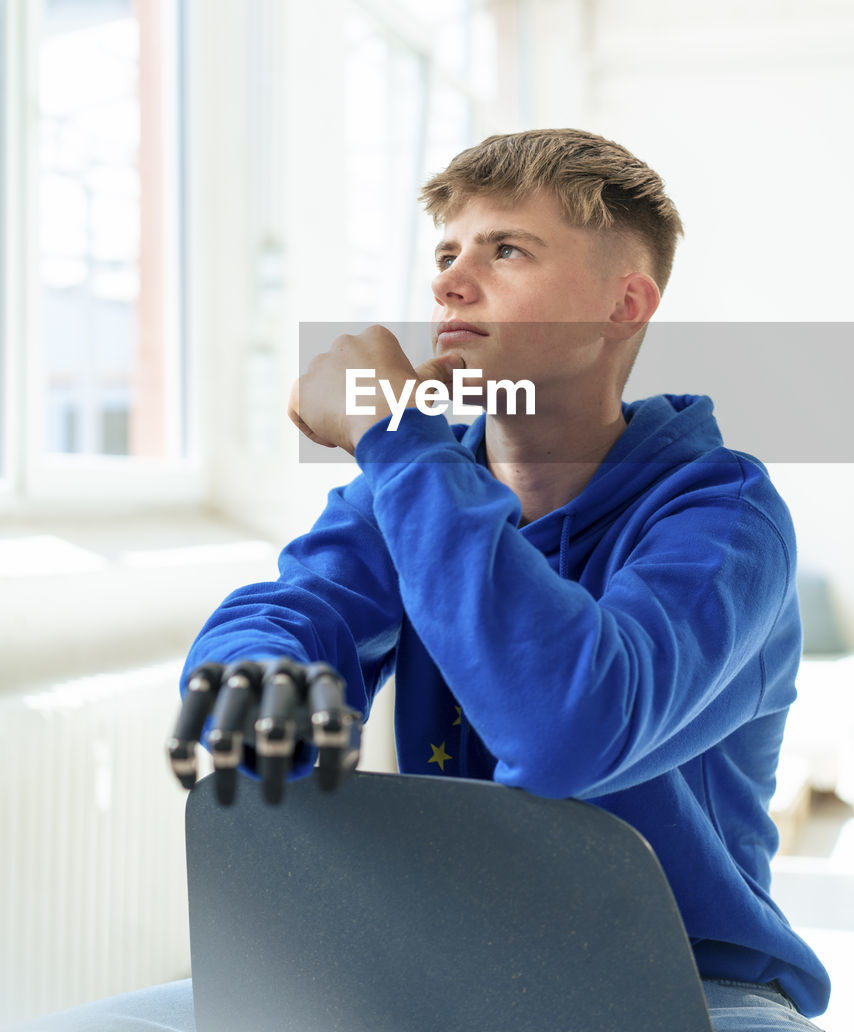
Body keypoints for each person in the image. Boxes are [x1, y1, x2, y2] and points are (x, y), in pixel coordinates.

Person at [21, 129, 830, 1030]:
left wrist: (393, 431)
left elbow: (568, 730)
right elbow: (298, 605)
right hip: (429, 962)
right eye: (446, 252)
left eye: (506, 249)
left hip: (690, 986)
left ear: (622, 304)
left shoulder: (724, 519)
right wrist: (260, 669)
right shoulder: (409, 485)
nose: (449, 280)